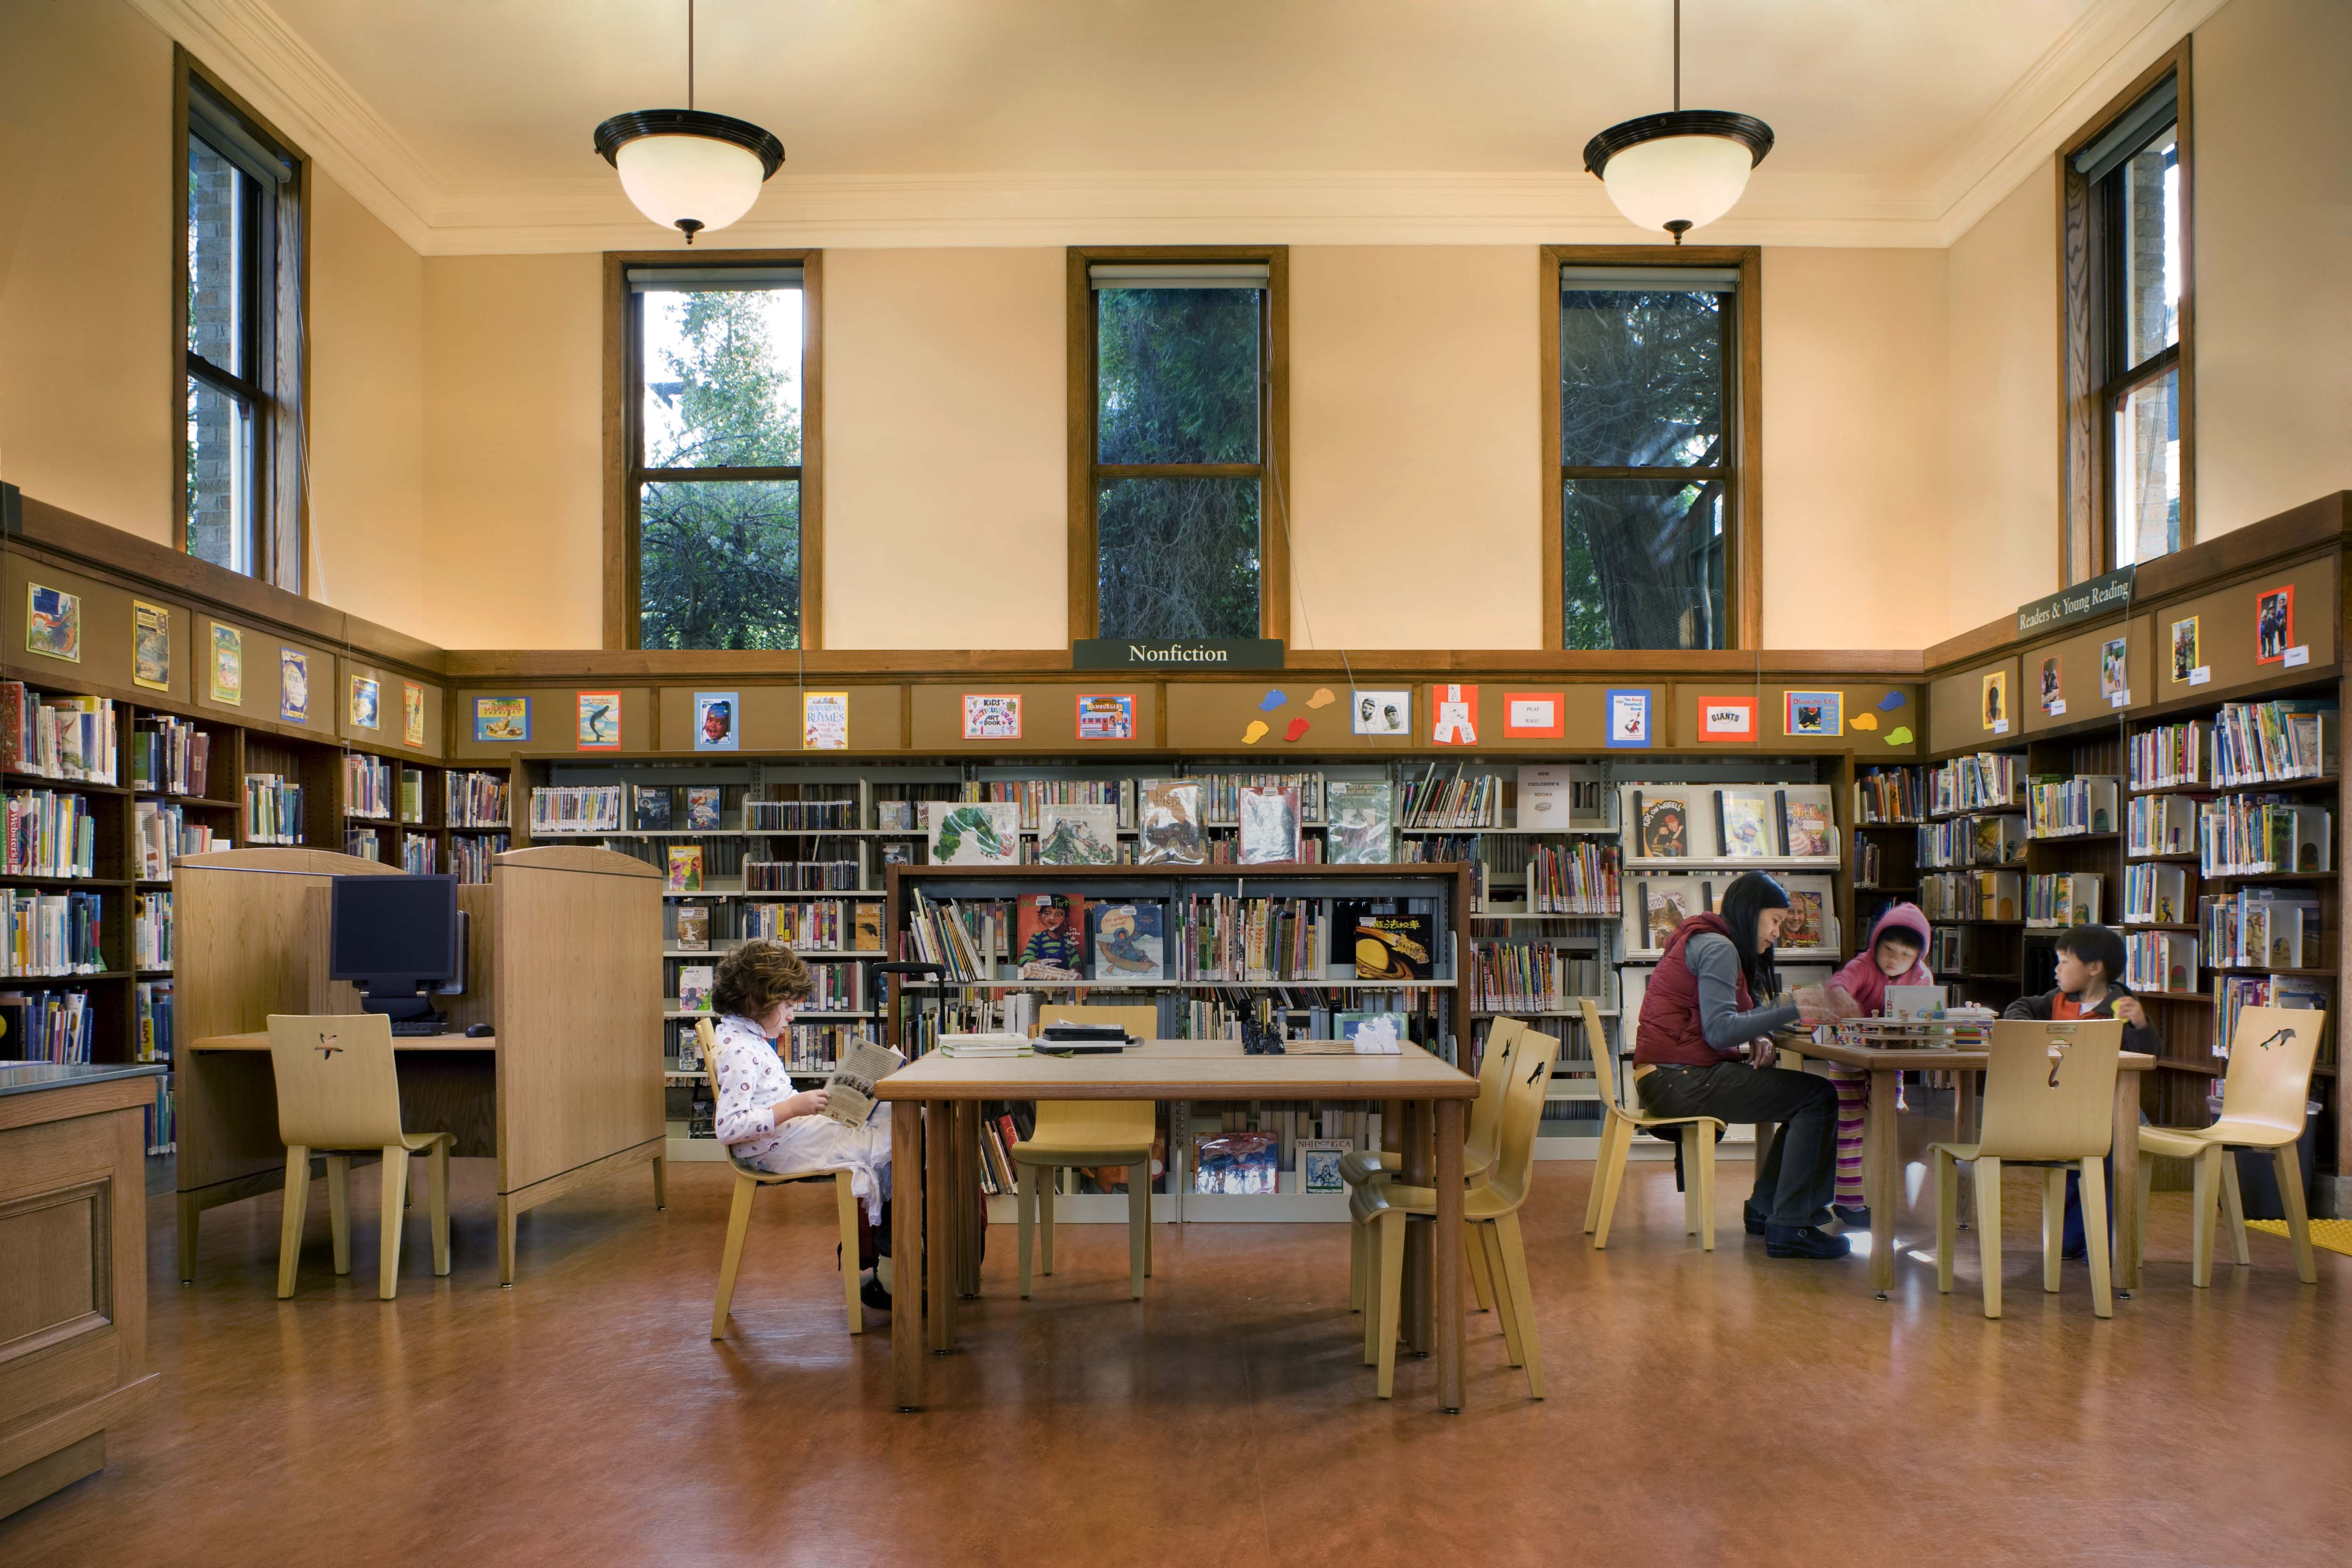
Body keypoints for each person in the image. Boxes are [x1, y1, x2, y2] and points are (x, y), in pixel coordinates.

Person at [1632, 871, 1853, 1259]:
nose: (1776, 934)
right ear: (1752, 913)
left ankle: (1769, 1210)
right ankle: (1791, 1224)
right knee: (1817, 1098)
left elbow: (1728, 1017)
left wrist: (1761, 1033)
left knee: (1807, 1097)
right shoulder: (1719, 948)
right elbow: (1720, 1032)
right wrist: (1794, 1008)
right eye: (1774, 921)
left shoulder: (1704, 937)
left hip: (1668, 1077)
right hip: (1680, 1081)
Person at [709, 939, 897, 1309]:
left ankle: (892, 1262)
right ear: (757, 999)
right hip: (779, 1149)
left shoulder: (748, 1037)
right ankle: (895, 1268)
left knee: (891, 1118)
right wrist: (795, 1107)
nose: (793, 1016)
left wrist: (806, 1103)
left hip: (788, 1136)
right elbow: (729, 1128)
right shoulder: (739, 1050)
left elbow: (766, 1098)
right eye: (788, 1006)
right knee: (898, 1134)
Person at [2003, 923, 2157, 1258]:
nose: (2057, 969)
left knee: (2109, 1161)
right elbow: (2020, 1007)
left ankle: (2102, 1247)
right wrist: (2033, 1031)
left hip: (2110, 1105)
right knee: (2073, 1167)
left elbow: (2147, 1054)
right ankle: (2071, 1241)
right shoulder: (2056, 1001)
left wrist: (2141, 1024)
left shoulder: (2122, 1006)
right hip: (2062, 1106)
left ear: (2094, 968)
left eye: (2064, 962)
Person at [1821, 903, 1935, 1227]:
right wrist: (1843, 999)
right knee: (1850, 1129)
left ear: (1917, 958)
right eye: (1888, 950)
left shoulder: (1921, 977)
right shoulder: (1863, 964)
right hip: (1849, 1056)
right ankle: (1849, 1201)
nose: (1894, 959)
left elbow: (1922, 1021)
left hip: (1889, 1059)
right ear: (1876, 945)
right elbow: (1838, 983)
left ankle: (1891, 1095)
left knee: (1882, 1125)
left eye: (1904, 955)